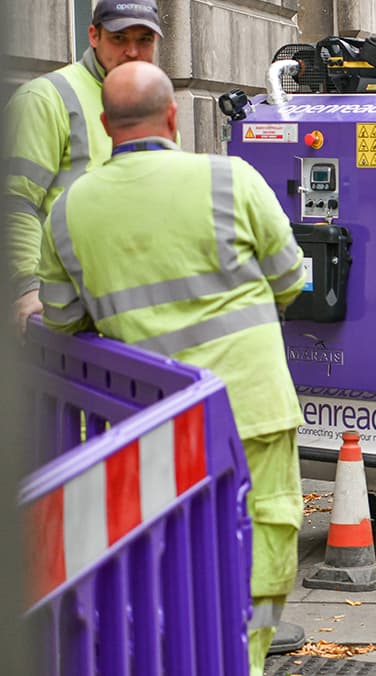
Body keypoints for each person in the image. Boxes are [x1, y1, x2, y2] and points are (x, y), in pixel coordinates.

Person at [36, 62, 306, 673]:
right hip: (253, 404)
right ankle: (246, 662)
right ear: (175, 116)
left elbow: (60, 319)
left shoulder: (69, 212)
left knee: (169, 560)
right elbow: (292, 279)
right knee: (265, 537)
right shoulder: (230, 179)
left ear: (106, 126)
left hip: (150, 423)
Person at [4, 0, 162, 333]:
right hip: (64, 315)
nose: (132, 51)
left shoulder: (155, 103)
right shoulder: (45, 98)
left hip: (131, 314)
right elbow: (15, 202)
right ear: (94, 36)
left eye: (144, 39)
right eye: (118, 38)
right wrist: (29, 287)